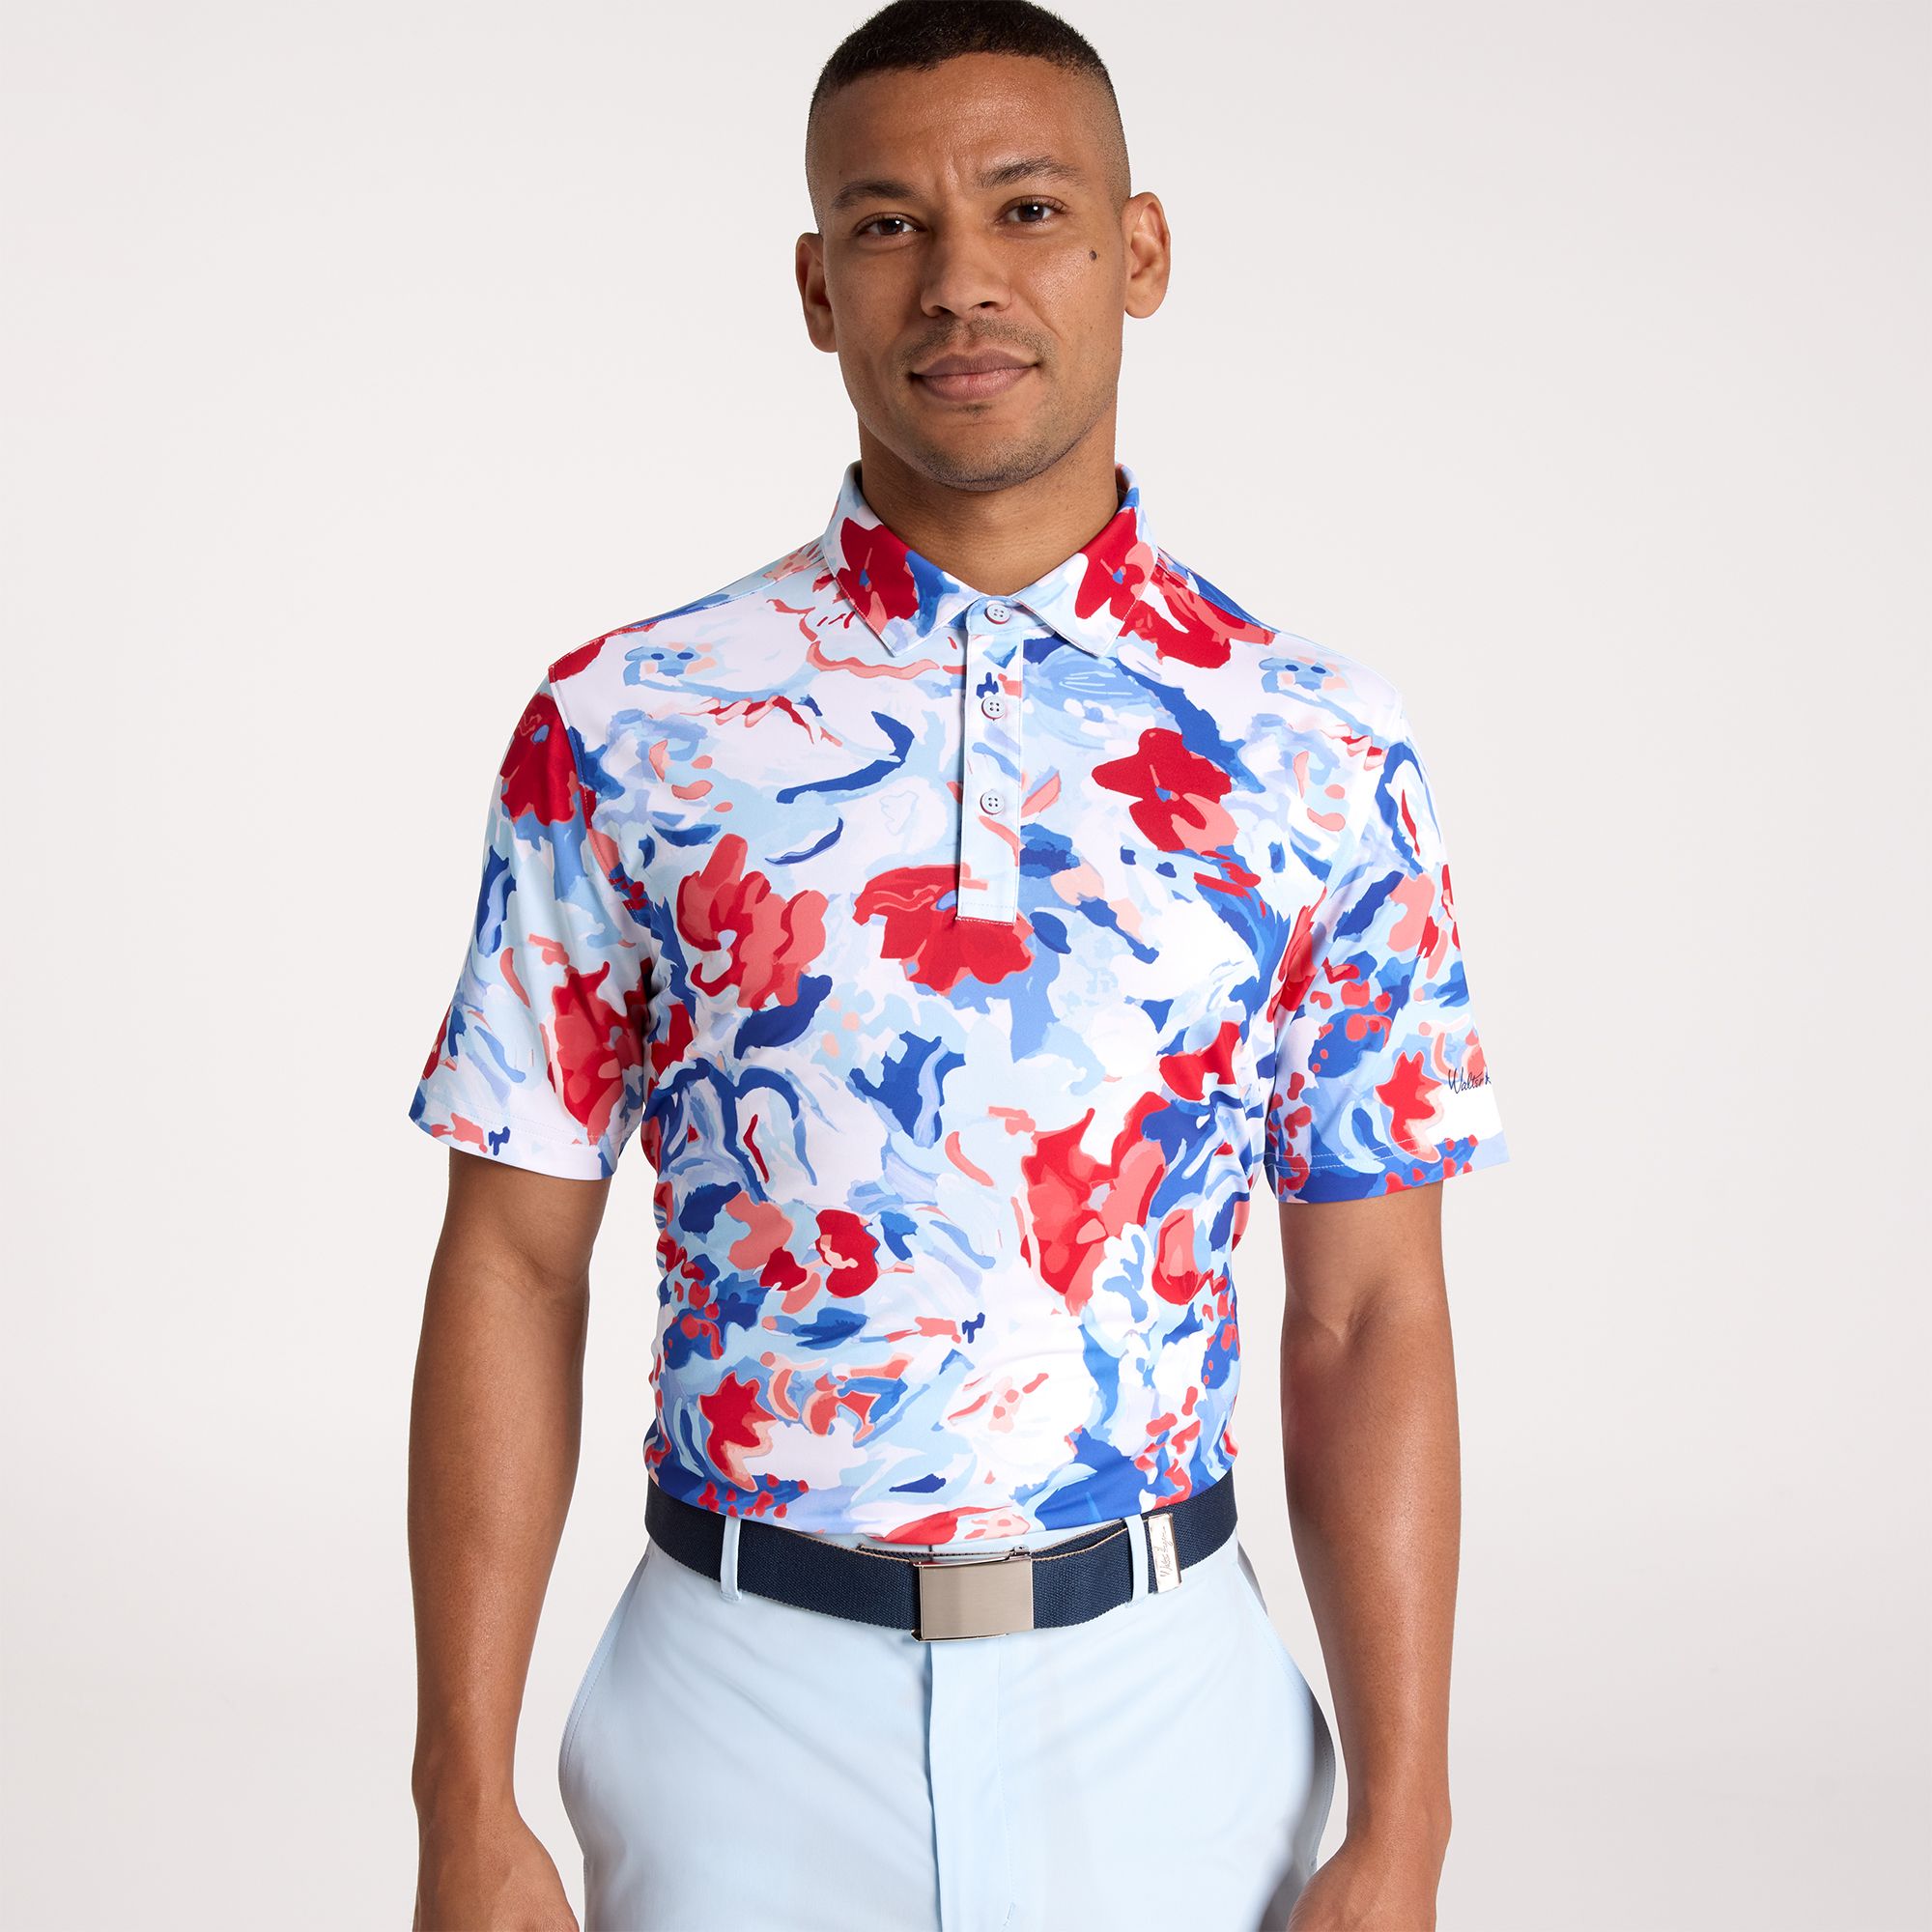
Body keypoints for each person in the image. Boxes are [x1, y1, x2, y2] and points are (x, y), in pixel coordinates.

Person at [404, 3, 1509, 1928]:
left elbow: (1366, 1314)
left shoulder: (1317, 746)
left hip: (1167, 1704)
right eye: (890, 225)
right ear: (816, 285)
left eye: (1027, 208)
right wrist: (459, 1798)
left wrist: (1404, 1824)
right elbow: (511, 1259)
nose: (961, 280)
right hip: (733, 1694)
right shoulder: (627, 722)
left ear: (1140, 250)